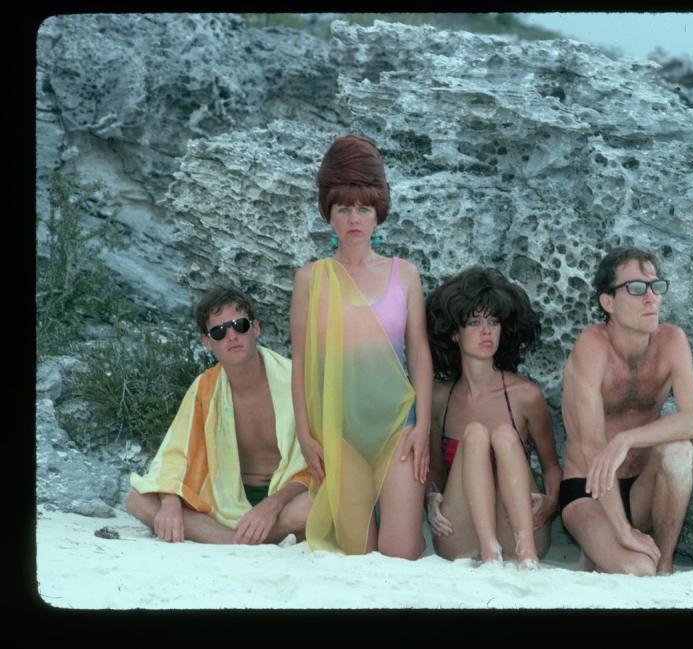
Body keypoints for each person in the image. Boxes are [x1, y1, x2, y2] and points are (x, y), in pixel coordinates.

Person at [290, 134, 432, 558]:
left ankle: (417, 508)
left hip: (397, 428)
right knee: (358, 552)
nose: (354, 218)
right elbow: (300, 363)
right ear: (329, 214)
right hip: (339, 433)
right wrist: (305, 434)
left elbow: (420, 355)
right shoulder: (311, 279)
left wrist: (423, 426)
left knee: (400, 552)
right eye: (344, 208)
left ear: (378, 214)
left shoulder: (404, 275)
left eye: (364, 208)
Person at [558, 247, 693, 576]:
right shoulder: (592, 346)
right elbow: (591, 443)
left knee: (680, 449)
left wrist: (626, 439)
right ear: (608, 302)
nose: (651, 298)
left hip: (641, 488)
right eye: (636, 289)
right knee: (637, 569)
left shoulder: (672, 340)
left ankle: (665, 562)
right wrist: (622, 530)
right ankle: (611, 545)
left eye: (655, 287)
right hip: (589, 490)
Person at [126, 286, 312, 544]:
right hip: (223, 500)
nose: (232, 336)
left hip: (285, 500)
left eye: (240, 325)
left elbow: (317, 461)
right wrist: (169, 504)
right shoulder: (205, 388)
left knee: (319, 501)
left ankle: (232, 539)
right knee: (137, 500)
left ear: (255, 328)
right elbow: (174, 455)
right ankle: (239, 541)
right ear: (207, 342)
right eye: (219, 331)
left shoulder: (295, 379)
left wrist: (272, 505)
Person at [423, 267, 561, 567]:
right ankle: (489, 551)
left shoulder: (526, 395)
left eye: (494, 321)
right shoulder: (438, 399)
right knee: (474, 434)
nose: (486, 331)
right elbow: (435, 469)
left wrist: (550, 503)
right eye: (474, 322)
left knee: (503, 435)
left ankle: (525, 554)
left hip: (519, 526)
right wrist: (431, 499)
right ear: (454, 333)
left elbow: (551, 466)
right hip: (461, 530)